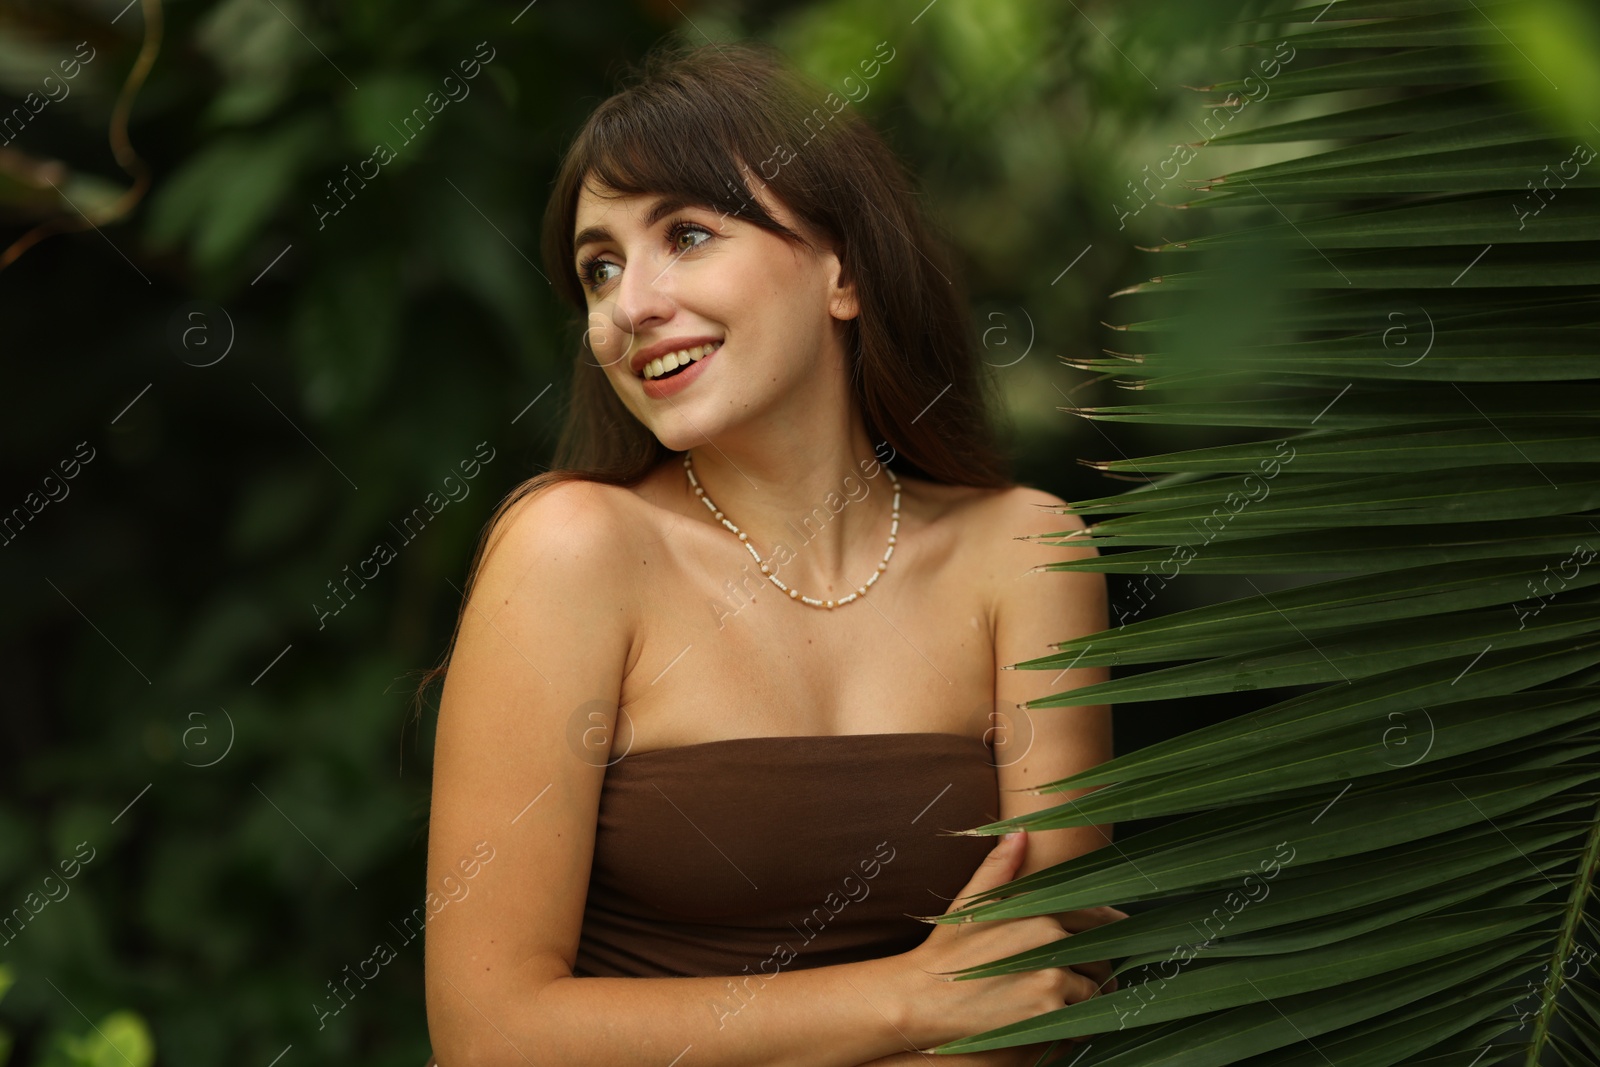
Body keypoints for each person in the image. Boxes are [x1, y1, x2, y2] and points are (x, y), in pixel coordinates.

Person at [417, 37, 1122, 1067]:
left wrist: (953, 1008)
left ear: (842, 271)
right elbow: (491, 1032)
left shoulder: (1025, 551)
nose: (627, 307)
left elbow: (1052, 970)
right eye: (598, 268)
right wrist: (906, 1000)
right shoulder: (573, 550)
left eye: (688, 234)